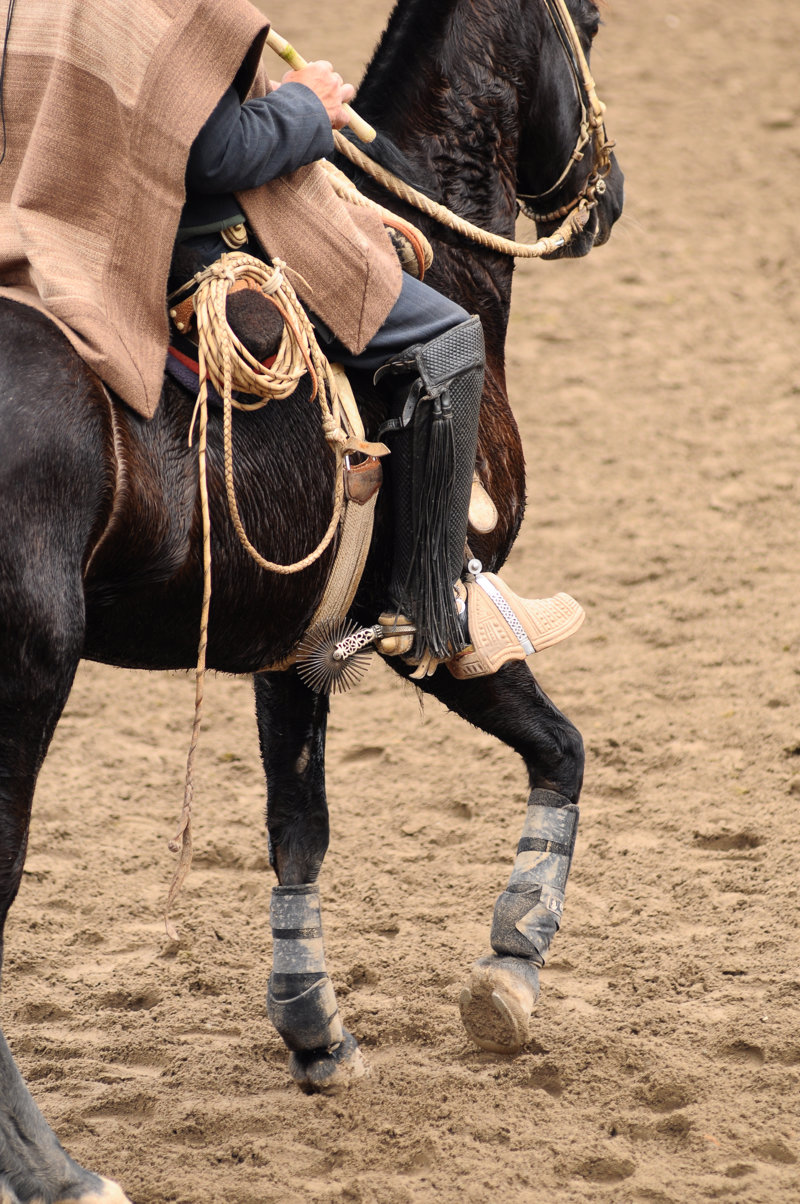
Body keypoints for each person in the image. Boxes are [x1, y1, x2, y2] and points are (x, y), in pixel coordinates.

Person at [0, 0, 582, 676]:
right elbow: (213, 156)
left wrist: (242, 95)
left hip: (39, 214)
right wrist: (308, 107)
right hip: (167, 232)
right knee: (448, 335)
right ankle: (432, 605)